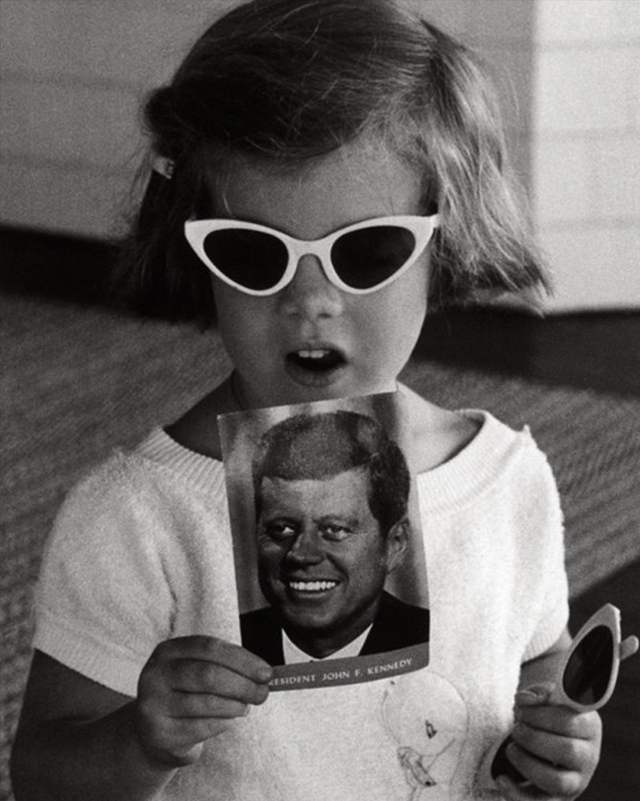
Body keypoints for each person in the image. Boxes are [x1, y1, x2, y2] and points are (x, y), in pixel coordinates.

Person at [10, 1, 602, 799]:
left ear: (445, 238)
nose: (309, 299)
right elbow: (43, 774)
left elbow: (536, 663)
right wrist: (139, 739)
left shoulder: (507, 482)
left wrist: (558, 737)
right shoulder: (137, 517)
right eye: (254, 253)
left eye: (367, 250)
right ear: (197, 246)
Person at [241, 410, 429, 664]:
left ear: (395, 544)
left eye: (335, 529)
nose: (301, 554)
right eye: (282, 529)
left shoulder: (433, 642)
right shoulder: (229, 643)